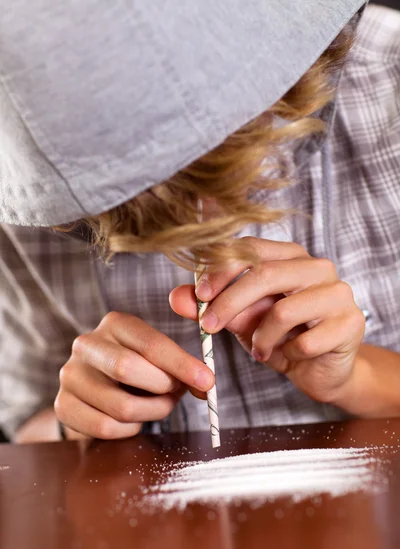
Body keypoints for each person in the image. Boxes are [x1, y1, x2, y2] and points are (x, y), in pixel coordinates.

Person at [0, 1, 399, 443]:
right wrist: (76, 422)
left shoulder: (390, 81)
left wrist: (356, 378)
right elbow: (26, 428)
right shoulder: (25, 196)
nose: (203, 216)